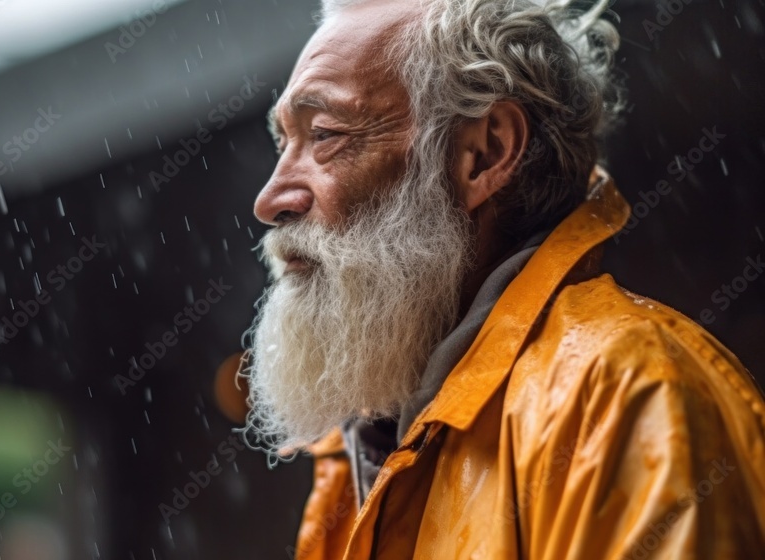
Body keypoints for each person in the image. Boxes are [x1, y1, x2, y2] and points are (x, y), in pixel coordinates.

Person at [241, 0, 765, 557]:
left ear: (485, 153)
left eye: (325, 134)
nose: (270, 199)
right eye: (283, 143)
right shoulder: (365, 444)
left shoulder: (626, 397)